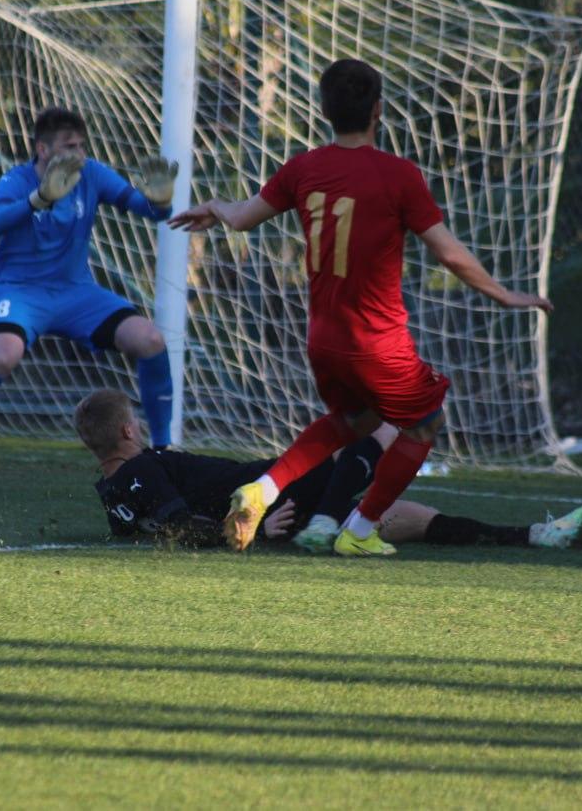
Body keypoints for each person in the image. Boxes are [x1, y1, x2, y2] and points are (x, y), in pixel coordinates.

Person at [169, 59, 553, 556]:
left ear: (326, 111)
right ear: (378, 110)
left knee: (357, 422)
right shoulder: (399, 175)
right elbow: (448, 252)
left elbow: (241, 219)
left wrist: (215, 207)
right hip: (376, 339)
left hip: (323, 339)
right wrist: (507, 294)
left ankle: (262, 489)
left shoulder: (303, 167)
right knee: (424, 420)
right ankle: (361, 529)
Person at [0, 106, 179, 469]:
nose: (79, 154)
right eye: (69, 146)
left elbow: (147, 211)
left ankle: (163, 453)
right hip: (20, 292)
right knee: (2, 356)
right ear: (43, 150)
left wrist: (160, 201)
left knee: (150, 340)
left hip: (76, 292)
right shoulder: (15, 182)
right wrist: (40, 199)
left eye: (82, 145)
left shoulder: (92, 174)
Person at [74, 388, 582, 551]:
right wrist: (249, 534)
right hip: (271, 491)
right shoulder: (141, 465)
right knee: (388, 424)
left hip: (272, 507)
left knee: (395, 516)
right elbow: (181, 523)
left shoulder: (112, 489)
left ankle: (533, 536)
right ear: (126, 432)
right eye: (134, 423)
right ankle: (326, 523)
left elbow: (152, 529)